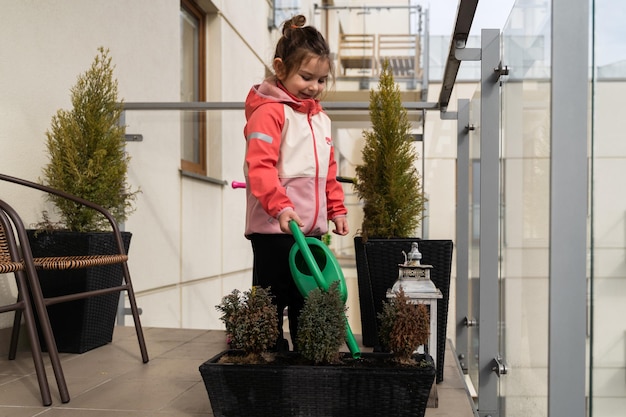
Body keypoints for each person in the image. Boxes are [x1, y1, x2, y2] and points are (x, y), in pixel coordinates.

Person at [243, 14, 349, 351]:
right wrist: (281, 208)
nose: (315, 87)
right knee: (271, 301)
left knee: (309, 302)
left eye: (322, 80)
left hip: (312, 233)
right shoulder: (270, 112)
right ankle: (268, 360)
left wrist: (337, 208)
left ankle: (309, 363)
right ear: (280, 68)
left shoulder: (321, 120)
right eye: (306, 77)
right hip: (275, 231)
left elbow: (328, 172)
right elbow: (259, 167)